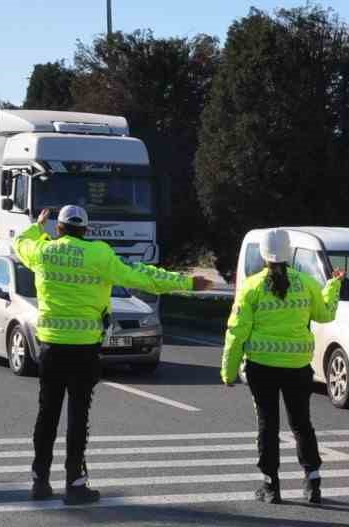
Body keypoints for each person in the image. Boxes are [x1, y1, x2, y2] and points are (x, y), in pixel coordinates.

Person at [15, 205, 209, 505]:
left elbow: (21, 244)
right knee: (78, 415)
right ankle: (75, 484)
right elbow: (140, 277)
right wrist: (185, 283)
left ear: (60, 228)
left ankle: (39, 481)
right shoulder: (100, 255)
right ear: (86, 230)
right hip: (85, 349)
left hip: (52, 347)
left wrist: (37, 226)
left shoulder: (44, 252)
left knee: (47, 414)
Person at [220, 229, 344, 504]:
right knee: (302, 424)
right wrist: (333, 286)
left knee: (268, 425)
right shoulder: (307, 282)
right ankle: (313, 483)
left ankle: (271, 486)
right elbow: (326, 313)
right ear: (288, 254)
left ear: (264, 255)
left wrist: (228, 371)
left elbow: (236, 332)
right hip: (298, 367)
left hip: (260, 367)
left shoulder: (251, 287)